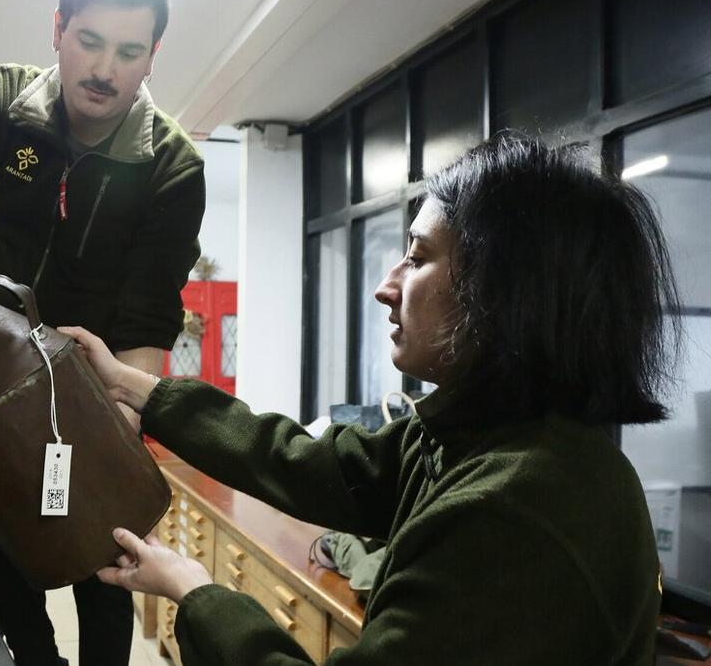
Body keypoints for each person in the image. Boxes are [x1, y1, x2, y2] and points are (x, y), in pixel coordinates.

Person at [60, 134, 680, 665]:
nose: (386, 288)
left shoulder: (517, 513)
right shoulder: (475, 434)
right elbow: (311, 463)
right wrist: (129, 383)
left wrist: (197, 592)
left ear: (505, 292)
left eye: (417, 258)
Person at [0, 0, 205, 663]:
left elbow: (147, 322)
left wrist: (118, 441)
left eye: (129, 51)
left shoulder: (172, 165)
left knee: (104, 566)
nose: (105, 69)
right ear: (57, 29)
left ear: (152, 58)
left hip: (94, 391)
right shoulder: (6, 99)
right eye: (90, 41)